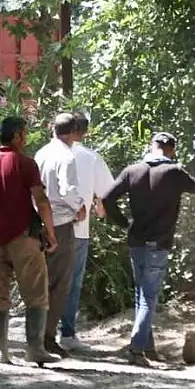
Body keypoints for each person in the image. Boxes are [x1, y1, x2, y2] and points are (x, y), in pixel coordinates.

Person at [100, 132, 195, 366]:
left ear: (152, 147)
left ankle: (147, 348)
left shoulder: (133, 170)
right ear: (171, 150)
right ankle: (137, 349)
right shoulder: (173, 173)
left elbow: (107, 198)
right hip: (158, 244)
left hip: (137, 242)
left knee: (142, 294)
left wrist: (124, 223)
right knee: (148, 297)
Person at [0, 116, 61, 366]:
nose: (26, 139)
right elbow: (41, 201)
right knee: (36, 295)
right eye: (25, 134)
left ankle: (2, 352)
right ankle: (34, 350)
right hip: (24, 240)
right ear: (17, 135)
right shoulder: (25, 164)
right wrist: (50, 233)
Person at [59, 112, 115, 351]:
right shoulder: (92, 158)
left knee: (51, 281)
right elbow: (107, 195)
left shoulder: (45, 154)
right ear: (85, 132)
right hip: (79, 230)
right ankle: (68, 334)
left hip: (49, 227)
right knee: (73, 283)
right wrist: (100, 208)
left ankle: (44, 332)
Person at [33, 112, 87, 358]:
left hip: (39, 223)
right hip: (61, 224)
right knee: (60, 284)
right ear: (75, 132)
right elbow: (67, 190)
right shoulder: (67, 157)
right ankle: (47, 337)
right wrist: (80, 206)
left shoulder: (42, 153)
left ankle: (36, 334)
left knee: (41, 281)